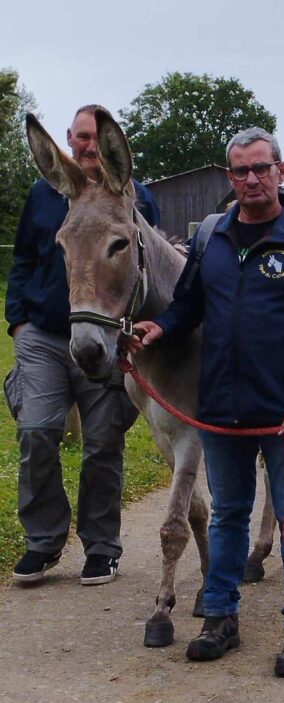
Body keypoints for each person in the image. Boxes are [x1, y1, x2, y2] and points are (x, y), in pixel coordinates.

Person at [127, 127, 284, 677]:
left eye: (261, 168)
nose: (251, 179)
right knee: (228, 516)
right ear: (230, 177)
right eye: (241, 171)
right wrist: (160, 327)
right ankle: (221, 618)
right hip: (222, 410)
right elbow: (189, 307)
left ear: (281, 171)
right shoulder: (211, 239)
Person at [5, 104, 160, 587]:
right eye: (79, 138)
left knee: (102, 442)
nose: (86, 147)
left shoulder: (136, 199)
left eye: (94, 138)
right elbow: (25, 260)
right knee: (36, 430)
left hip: (108, 336)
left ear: (108, 143)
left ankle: (100, 547)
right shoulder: (44, 196)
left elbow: (147, 269)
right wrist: (18, 324)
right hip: (46, 336)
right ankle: (44, 540)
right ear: (68, 142)